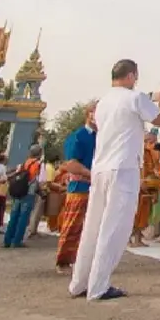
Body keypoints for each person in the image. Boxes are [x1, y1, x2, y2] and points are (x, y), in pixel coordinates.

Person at [68, 59, 160, 301]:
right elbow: (159, 120)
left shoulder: (103, 102)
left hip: (100, 168)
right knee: (115, 227)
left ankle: (79, 283)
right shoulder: (134, 97)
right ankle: (98, 286)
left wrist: (150, 96)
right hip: (123, 168)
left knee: (93, 227)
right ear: (132, 75)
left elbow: (131, 106)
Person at [56, 101, 97, 272]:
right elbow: (71, 163)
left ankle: (86, 262)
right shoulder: (78, 136)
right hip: (80, 187)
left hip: (98, 188)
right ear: (88, 114)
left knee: (93, 228)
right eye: (95, 112)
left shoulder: (102, 137)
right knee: (73, 226)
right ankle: (64, 261)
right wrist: (92, 175)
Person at [4, 145, 44, 248]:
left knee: (14, 215)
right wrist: (41, 192)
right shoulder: (38, 164)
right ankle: (17, 241)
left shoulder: (24, 163)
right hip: (29, 192)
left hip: (18, 191)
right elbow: (39, 180)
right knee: (23, 217)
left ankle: (7, 240)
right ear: (40, 153)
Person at [132, 132, 160, 246]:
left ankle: (138, 239)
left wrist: (157, 174)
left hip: (149, 186)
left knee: (144, 214)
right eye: (151, 142)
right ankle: (131, 240)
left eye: (154, 142)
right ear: (145, 141)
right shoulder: (137, 153)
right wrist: (140, 180)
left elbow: (153, 169)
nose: (153, 145)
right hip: (137, 187)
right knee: (136, 214)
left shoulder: (151, 154)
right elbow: (135, 169)